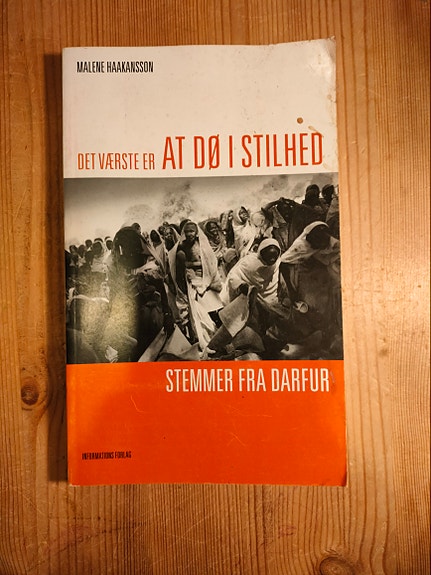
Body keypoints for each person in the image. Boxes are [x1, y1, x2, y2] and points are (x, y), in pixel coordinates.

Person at [279, 221, 342, 357]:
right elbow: (284, 263)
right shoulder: (302, 247)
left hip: (325, 273)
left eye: (323, 244)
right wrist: (292, 291)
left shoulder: (334, 244)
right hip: (308, 274)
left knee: (332, 301)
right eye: (316, 246)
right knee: (312, 305)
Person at [169, 220, 223, 347]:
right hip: (192, 282)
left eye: (192, 231)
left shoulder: (202, 245)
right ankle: (205, 340)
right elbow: (178, 266)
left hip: (207, 280)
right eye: (187, 231)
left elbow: (210, 262)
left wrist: (207, 279)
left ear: (197, 232)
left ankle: (220, 338)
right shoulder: (181, 248)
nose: (189, 234)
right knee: (199, 312)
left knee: (216, 309)